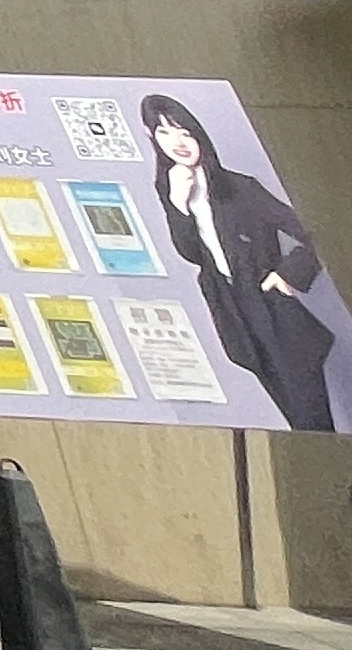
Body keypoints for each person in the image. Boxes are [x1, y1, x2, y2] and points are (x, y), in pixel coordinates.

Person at [142, 92, 337, 435]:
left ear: (199, 133)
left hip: (277, 319)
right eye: (164, 132)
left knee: (314, 427)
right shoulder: (172, 188)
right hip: (238, 321)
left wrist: (288, 273)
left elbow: (316, 232)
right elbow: (190, 253)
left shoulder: (239, 187)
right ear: (152, 138)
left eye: (184, 132)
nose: (177, 142)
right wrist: (178, 206)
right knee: (298, 426)